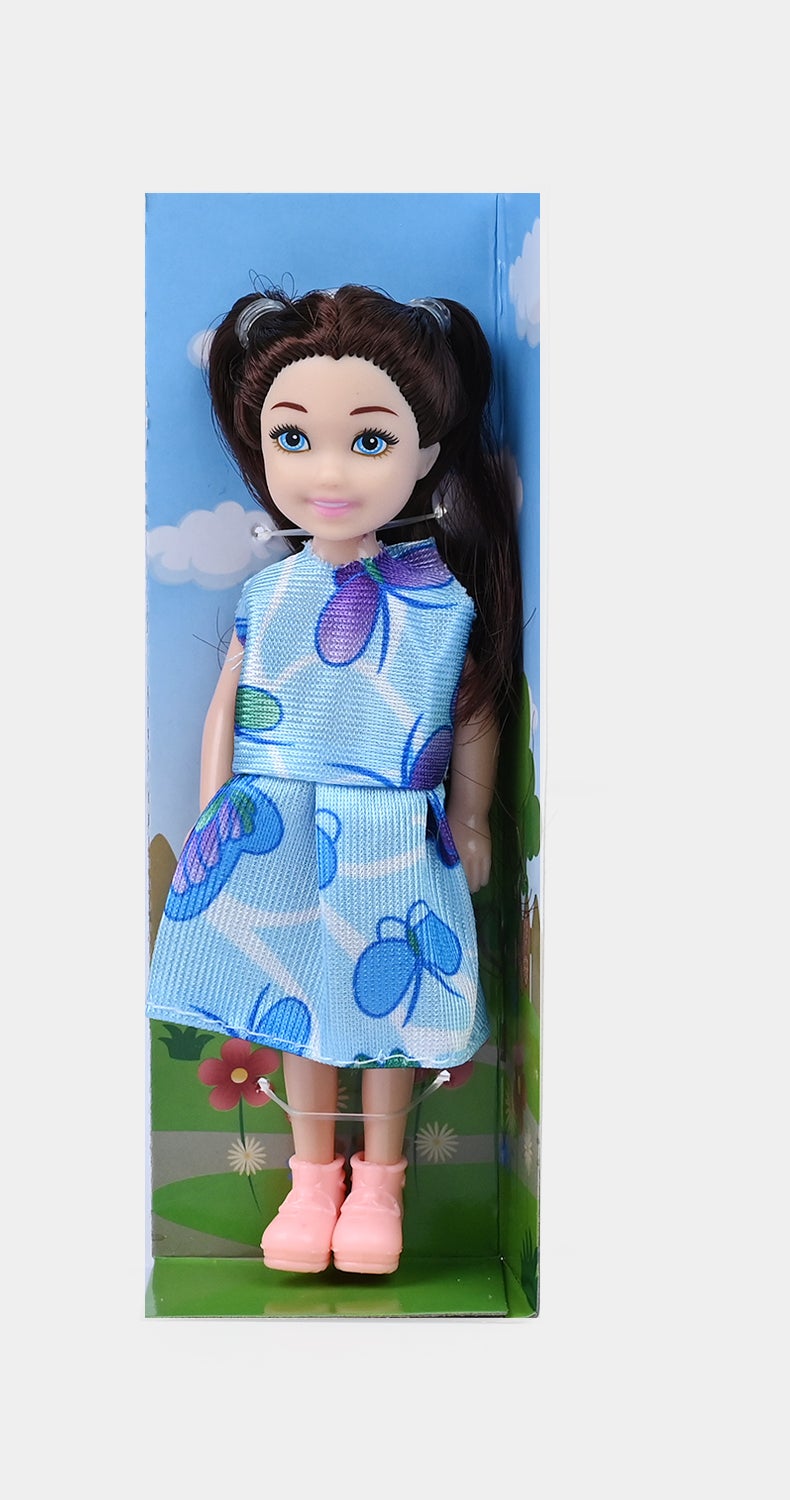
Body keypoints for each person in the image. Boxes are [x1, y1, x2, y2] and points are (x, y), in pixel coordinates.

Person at [146, 283, 522, 1274]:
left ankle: (381, 1185)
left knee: (389, 1011)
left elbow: (469, 710)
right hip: (273, 822)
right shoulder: (271, 593)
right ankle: (312, 1182)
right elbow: (228, 707)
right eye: (293, 437)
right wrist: (216, 815)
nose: (327, 470)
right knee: (295, 1002)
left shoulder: (437, 600)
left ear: (425, 454)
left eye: (368, 441)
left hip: (391, 827)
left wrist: (472, 820)